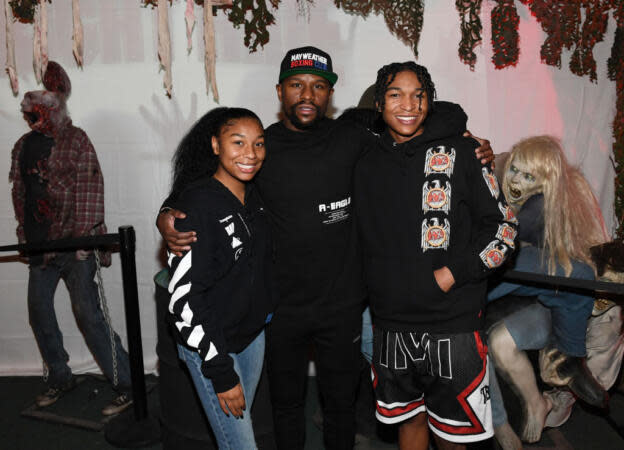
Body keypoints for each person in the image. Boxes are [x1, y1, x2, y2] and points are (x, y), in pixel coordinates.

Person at [157, 45, 494, 449]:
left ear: (329, 94)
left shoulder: (355, 136)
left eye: (318, 86)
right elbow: (203, 179)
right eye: (296, 85)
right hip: (281, 308)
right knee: (286, 405)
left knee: (340, 406)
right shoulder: (260, 146)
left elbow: (416, 116)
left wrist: (466, 139)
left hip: (343, 306)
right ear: (279, 91)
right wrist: (168, 211)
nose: (307, 95)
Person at [354, 61, 517, 450]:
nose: (408, 104)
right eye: (395, 94)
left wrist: (453, 273)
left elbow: (505, 230)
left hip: (453, 323)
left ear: (430, 102)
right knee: (409, 423)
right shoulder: (364, 161)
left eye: (418, 95)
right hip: (390, 325)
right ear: (379, 103)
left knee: (452, 436)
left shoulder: (463, 151)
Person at [9, 61, 133, 415]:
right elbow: (21, 194)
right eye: (30, 114)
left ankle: (126, 382)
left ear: (55, 109)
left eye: (41, 112)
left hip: (73, 243)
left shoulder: (76, 140)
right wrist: (24, 234)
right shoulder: (22, 146)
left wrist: (85, 241)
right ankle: (60, 376)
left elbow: (91, 189)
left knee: (88, 314)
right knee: (39, 311)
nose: (35, 120)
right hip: (39, 245)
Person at [485, 136, 610, 446]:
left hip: (546, 300)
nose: (517, 180)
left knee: (501, 340)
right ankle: (501, 422)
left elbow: (587, 277)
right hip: (501, 289)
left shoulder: (553, 205)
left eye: (530, 177)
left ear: (545, 182)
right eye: (515, 170)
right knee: (477, 336)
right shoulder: (494, 187)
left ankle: (557, 380)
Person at [167, 107, 276, 449]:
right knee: (241, 445)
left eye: (258, 144)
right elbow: (184, 299)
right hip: (212, 349)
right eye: (238, 142)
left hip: (249, 337)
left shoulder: (254, 195)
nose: (250, 153)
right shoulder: (197, 205)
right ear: (215, 145)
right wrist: (219, 369)